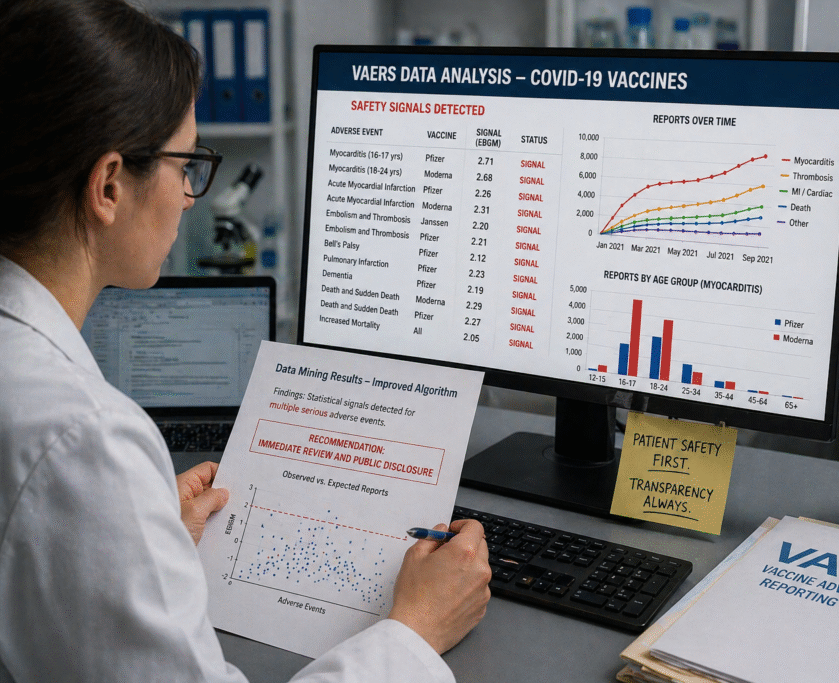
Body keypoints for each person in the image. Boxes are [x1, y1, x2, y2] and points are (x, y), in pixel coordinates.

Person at [0, 1, 491, 681]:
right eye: (184, 165)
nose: (190, 196)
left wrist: (137, 537)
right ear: (108, 185)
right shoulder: (87, 438)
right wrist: (414, 629)